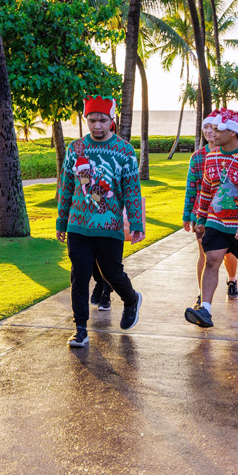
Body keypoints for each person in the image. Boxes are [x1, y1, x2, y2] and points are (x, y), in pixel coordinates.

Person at [56, 95, 144, 347]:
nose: (97, 125)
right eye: (92, 120)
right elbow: (67, 187)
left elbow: (131, 189)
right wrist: (62, 221)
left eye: (102, 120)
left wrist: (136, 223)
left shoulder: (124, 150)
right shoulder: (75, 149)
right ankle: (80, 328)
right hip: (78, 224)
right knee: (79, 275)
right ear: (85, 119)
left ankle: (130, 299)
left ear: (111, 120)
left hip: (110, 224)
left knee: (112, 273)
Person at [185, 110, 238, 328]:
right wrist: (201, 217)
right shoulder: (211, 157)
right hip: (217, 220)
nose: (212, 132)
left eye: (218, 129)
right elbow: (206, 190)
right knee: (211, 259)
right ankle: (205, 309)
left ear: (233, 132)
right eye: (211, 128)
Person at [184, 112, 238, 303]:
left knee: (229, 253)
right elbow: (191, 187)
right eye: (206, 127)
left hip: (228, 212)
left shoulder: (236, 153)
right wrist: (187, 214)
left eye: (213, 127)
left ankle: (232, 280)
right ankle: (202, 294)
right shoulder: (198, 157)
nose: (209, 131)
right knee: (204, 254)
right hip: (202, 212)